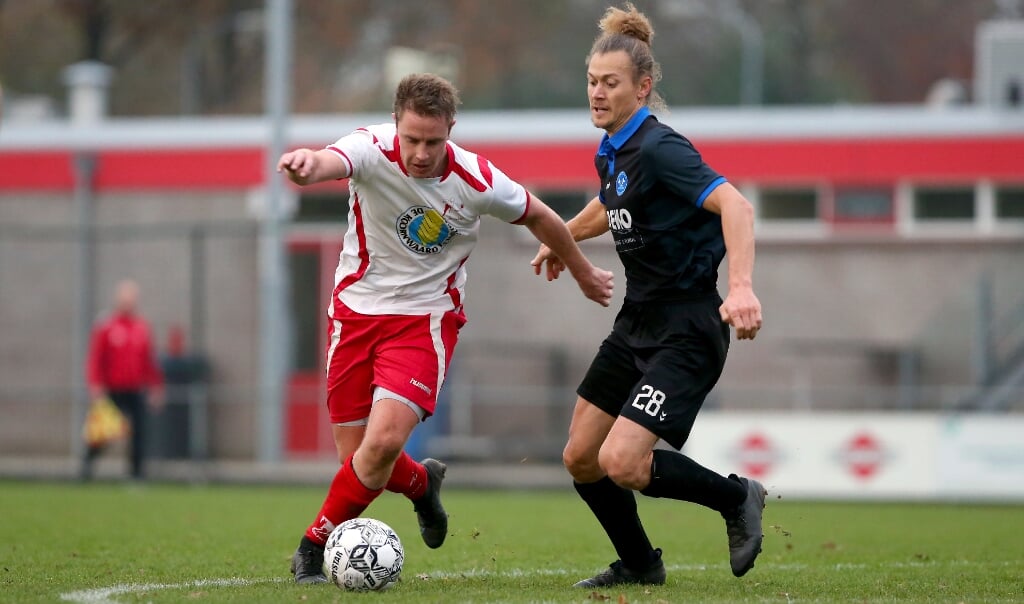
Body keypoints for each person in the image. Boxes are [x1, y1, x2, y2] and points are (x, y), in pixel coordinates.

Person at [277, 73, 615, 584]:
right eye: (411, 139)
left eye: (432, 142)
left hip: (425, 319)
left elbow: (541, 216)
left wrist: (584, 271)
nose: (419, 153)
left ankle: (312, 545)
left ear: (450, 130)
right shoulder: (369, 149)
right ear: (395, 125)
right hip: (354, 314)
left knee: (384, 441)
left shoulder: (476, 179)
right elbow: (330, 161)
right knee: (359, 460)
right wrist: (307, 167)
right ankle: (422, 485)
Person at [531, 3, 767, 588]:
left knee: (623, 462)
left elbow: (736, 204)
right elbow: (610, 206)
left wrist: (740, 288)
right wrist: (563, 238)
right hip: (637, 320)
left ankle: (737, 497)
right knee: (581, 456)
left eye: (611, 84)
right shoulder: (614, 149)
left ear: (643, 87)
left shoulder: (662, 149)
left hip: (687, 328)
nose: (597, 93)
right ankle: (640, 563)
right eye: (591, 82)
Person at [82, 279, 164, 481]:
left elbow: (148, 361)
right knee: (103, 433)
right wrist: (95, 385)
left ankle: (136, 474)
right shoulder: (106, 326)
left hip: (135, 389)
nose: (128, 303)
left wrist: (156, 387)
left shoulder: (142, 327)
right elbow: (96, 359)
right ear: (118, 300)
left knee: (139, 433)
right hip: (112, 389)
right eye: (125, 298)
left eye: (132, 299)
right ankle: (86, 469)